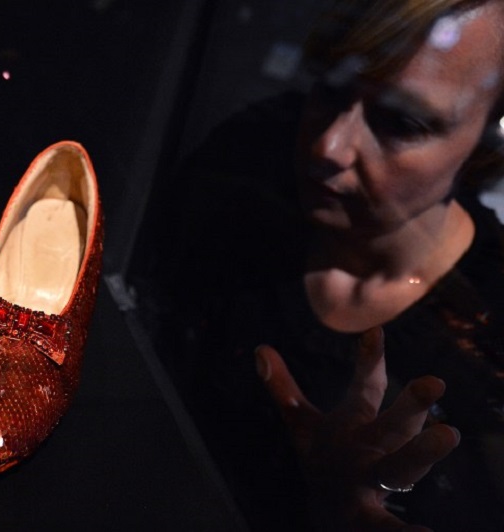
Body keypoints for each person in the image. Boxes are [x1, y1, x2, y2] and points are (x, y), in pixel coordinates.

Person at [149, 0, 504, 529]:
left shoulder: (487, 331)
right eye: (332, 89)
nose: (328, 146)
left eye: (401, 122)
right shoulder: (248, 165)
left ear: (484, 145)